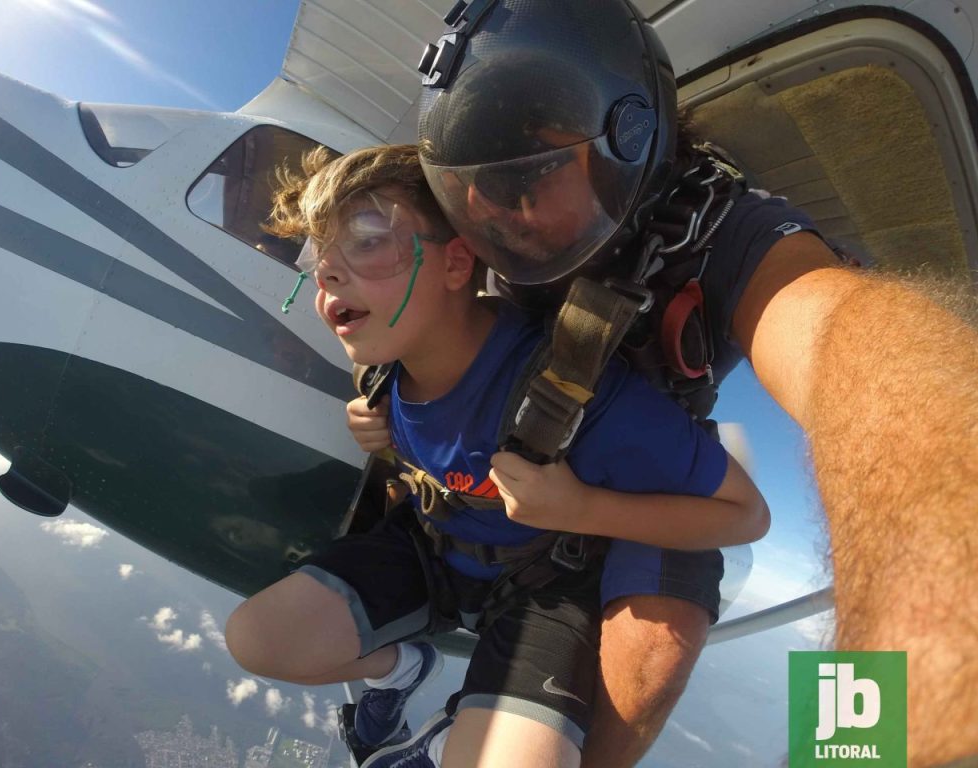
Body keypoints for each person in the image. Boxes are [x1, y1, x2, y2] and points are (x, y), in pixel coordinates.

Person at [410, 1, 978, 766]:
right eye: (471, 195)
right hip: (534, 457)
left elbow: (848, 343)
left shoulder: (728, 227)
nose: (497, 220)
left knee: (654, 652)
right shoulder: (501, 241)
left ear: (628, 137)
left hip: (655, 467)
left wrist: (870, 737)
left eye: (527, 175)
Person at [225, 142, 769, 768]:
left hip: (544, 587)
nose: (326, 274)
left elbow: (745, 514)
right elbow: (409, 409)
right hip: (432, 551)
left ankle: (456, 728)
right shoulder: (383, 368)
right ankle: (400, 673)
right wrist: (373, 422)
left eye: (370, 237)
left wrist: (581, 506)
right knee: (257, 640)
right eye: (318, 257)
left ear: (458, 264)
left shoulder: (569, 391)